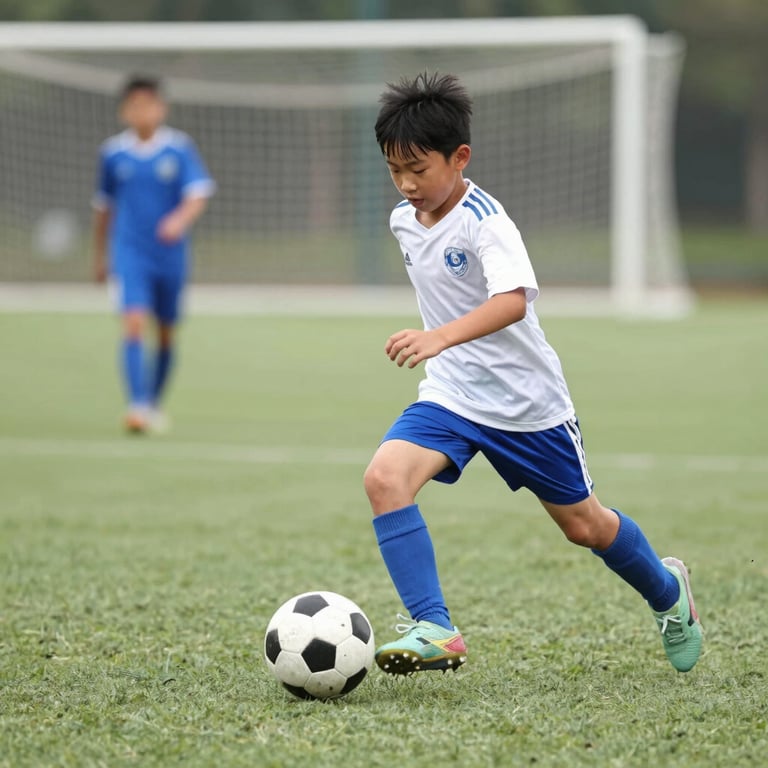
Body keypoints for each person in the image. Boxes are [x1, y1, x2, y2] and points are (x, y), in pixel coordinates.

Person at [364, 72, 702, 676]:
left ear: (459, 157)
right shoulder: (402, 220)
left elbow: (513, 300)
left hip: (527, 406)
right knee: (385, 479)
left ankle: (668, 593)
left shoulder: (487, 221)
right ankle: (434, 627)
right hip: (452, 395)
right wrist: (443, 351)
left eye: (419, 168)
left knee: (585, 527)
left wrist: (437, 336)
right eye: (396, 170)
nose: (407, 184)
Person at [92, 75, 215, 433]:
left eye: (149, 104)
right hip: (130, 252)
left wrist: (178, 220)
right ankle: (138, 405)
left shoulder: (178, 149)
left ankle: (153, 401)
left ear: (161, 108)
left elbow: (197, 194)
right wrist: (99, 257)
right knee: (132, 323)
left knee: (164, 333)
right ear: (124, 111)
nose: (142, 111)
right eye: (135, 105)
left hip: (169, 256)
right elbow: (104, 210)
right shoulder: (113, 154)